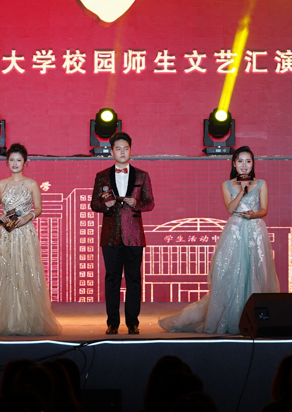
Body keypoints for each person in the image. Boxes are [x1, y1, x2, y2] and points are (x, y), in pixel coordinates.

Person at [160, 145, 279, 334]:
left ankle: (256, 318)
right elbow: (230, 209)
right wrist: (242, 192)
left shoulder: (261, 184)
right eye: (240, 161)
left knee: (256, 272)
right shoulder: (227, 185)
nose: (244, 165)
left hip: (255, 231)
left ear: (253, 164)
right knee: (231, 272)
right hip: (235, 231)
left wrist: (254, 215)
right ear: (234, 164)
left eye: (248, 161)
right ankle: (231, 317)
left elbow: (264, 210)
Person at [0, 144, 62, 336]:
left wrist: (29, 216)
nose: (15, 163)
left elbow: (39, 208)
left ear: (25, 162)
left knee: (26, 273)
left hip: (25, 233)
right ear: (7, 162)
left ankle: (26, 319)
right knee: (6, 273)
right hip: (6, 234)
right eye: (12, 160)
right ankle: (8, 320)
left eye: (19, 160)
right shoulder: (1, 184)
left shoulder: (31, 184)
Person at [89, 131, 154, 334]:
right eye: (118, 148)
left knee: (134, 280)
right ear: (112, 152)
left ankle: (133, 322)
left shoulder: (142, 175)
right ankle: (112, 323)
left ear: (130, 150)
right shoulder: (102, 176)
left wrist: (136, 202)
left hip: (134, 236)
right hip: (110, 236)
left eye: (126, 148)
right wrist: (105, 205)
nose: (122, 152)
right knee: (112, 280)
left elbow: (150, 203)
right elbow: (94, 204)